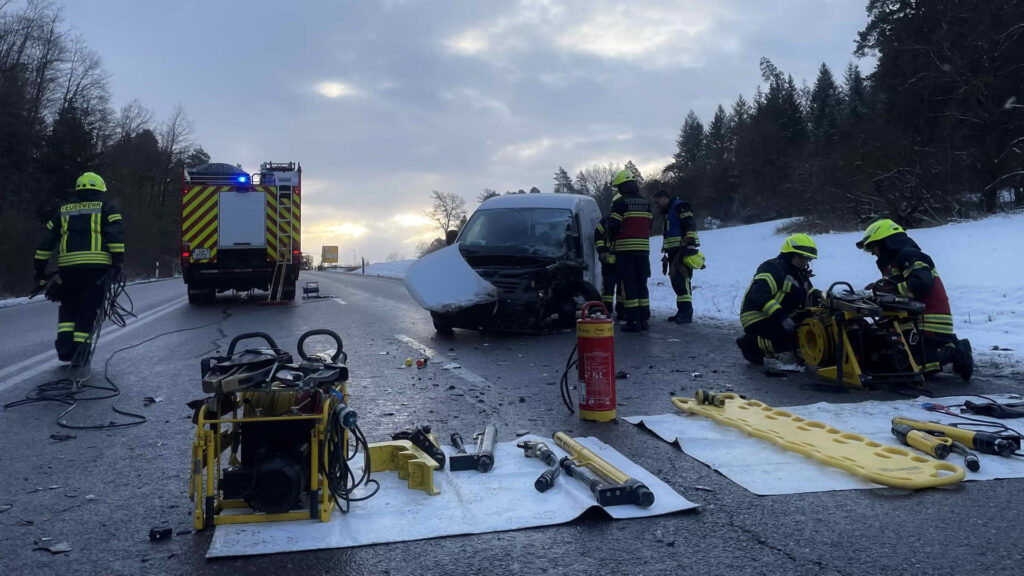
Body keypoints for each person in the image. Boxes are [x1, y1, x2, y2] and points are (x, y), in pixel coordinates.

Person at [856, 219, 973, 381]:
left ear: (886, 243)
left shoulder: (910, 255)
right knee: (879, 357)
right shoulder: (897, 261)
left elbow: (921, 284)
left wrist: (888, 290)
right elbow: (898, 286)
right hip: (911, 321)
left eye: (873, 247)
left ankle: (954, 350)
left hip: (927, 322)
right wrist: (879, 289)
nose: (873, 253)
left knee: (911, 368)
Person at [34, 172, 125, 365]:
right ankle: (80, 352)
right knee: (88, 309)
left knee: (68, 307)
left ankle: (65, 348)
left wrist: (40, 271)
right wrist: (117, 262)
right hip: (96, 270)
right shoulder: (106, 208)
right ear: (101, 189)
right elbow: (115, 237)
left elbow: (46, 243)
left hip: (68, 270)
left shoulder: (64, 211)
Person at [736, 234, 821, 367]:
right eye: (802, 258)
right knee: (787, 339)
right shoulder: (772, 268)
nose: (805, 262)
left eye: (808, 259)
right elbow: (760, 296)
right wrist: (782, 318)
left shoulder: (799, 275)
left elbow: (810, 299)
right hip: (756, 316)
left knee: (805, 332)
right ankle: (749, 345)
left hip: (781, 316)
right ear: (789, 255)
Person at [607, 170, 653, 332]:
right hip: (643, 250)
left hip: (625, 251)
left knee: (629, 286)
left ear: (623, 187)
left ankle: (633, 321)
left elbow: (613, 226)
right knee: (642, 284)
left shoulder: (620, 203)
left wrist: (611, 238)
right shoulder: (645, 203)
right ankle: (644, 320)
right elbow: (650, 224)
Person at [653, 189, 703, 324]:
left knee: (682, 280)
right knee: (676, 281)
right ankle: (681, 311)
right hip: (674, 251)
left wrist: (690, 244)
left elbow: (689, 224)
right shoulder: (669, 212)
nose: (657, 205)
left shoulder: (681, 206)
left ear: (664, 198)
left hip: (683, 249)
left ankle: (687, 313)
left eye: (658, 202)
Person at [594, 217, 625, 319]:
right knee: (608, 289)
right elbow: (597, 233)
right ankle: (607, 311)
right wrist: (602, 251)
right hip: (609, 262)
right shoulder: (606, 221)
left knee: (622, 289)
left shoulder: (625, 219)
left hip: (622, 260)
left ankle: (621, 311)